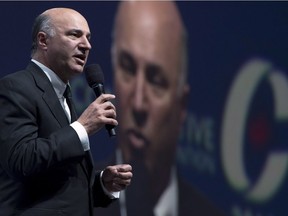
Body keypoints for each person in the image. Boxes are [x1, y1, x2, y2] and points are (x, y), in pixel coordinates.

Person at [94, 1, 226, 216]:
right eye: (127, 68)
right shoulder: (74, 204)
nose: (138, 103)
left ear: (181, 106)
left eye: (156, 81)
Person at [0, 7, 132, 216]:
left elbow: (59, 190)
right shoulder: (15, 87)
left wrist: (102, 184)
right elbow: (21, 161)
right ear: (43, 40)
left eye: (88, 38)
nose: (86, 45)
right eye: (74, 34)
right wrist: (82, 127)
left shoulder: (63, 95)